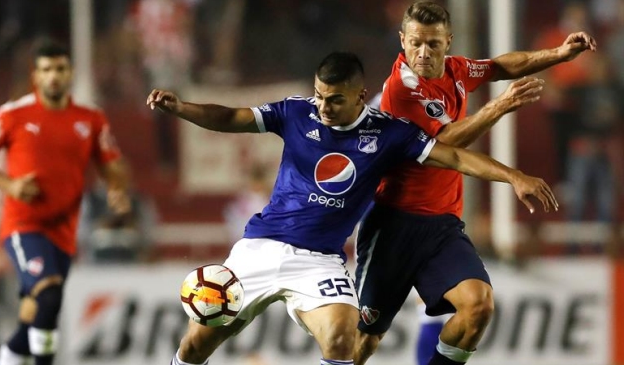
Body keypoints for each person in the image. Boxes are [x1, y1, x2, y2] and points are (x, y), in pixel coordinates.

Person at [146, 51, 558, 365]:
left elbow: (453, 158)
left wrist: (513, 176)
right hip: (261, 247)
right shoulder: (295, 111)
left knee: (345, 335)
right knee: (199, 342)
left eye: (335, 100)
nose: (323, 108)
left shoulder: (390, 134)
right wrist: (182, 108)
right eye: (320, 96)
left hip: (320, 261)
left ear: (361, 96)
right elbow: (232, 116)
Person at [353, 2, 597, 365]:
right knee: (364, 342)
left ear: (448, 42)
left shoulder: (456, 70)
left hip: (441, 226)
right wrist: (498, 108)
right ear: (402, 40)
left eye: (433, 44)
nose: (424, 52)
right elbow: (445, 145)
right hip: (393, 226)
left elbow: (500, 66)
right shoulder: (399, 92)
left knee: (478, 306)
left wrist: (559, 54)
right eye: (416, 43)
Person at [0, 39, 131, 365]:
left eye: (60, 69)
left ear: (70, 72)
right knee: (48, 296)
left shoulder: (90, 119)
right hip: (23, 226)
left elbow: (111, 163)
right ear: (36, 76)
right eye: (47, 70)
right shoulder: (12, 115)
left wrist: (116, 187)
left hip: (63, 232)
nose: (54, 76)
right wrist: (10, 185)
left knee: (34, 314)